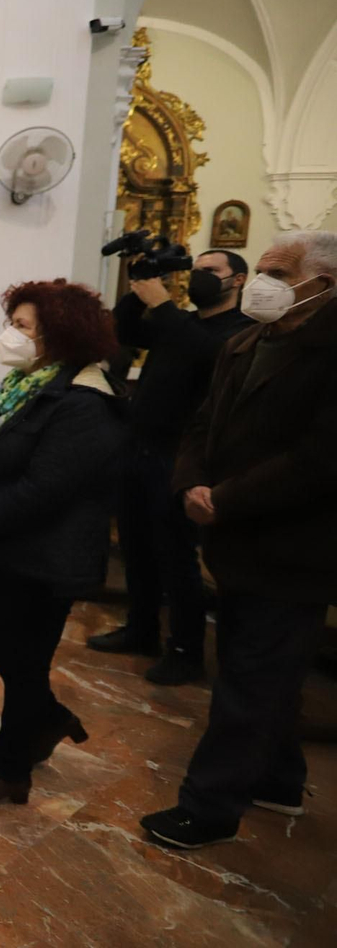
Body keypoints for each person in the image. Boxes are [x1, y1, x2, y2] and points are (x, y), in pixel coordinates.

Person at [141, 231, 337, 850]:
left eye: (279, 272)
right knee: (261, 668)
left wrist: (222, 499)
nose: (263, 281)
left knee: (250, 679)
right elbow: (200, 425)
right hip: (231, 537)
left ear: (322, 284)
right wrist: (191, 483)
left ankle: (210, 806)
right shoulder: (245, 343)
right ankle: (279, 778)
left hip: (294, 545)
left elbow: (317, 460)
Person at [0, 279, 126, 806]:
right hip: (8, 544)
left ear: (58, 337)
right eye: (12, 323)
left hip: (45, 554)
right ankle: (47, 717)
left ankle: (9, 769)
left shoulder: (86, 402)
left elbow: (44, 490)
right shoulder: (28, 386)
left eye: (22, 327)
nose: (11, 336)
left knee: (24, 661)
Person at [88, 250, 252, 685]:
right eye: (196, 268)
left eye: (211, 271)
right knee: (136, 546)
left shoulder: (239, 331)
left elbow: (204, 355)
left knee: (174, 556)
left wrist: (162, 304)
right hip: (138, 447)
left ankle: (185, 649)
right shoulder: (182, 322)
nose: (200, 276)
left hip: (180, 456)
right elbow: (122, 330)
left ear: (237, 281)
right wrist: (135, 284)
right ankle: (141, 629)